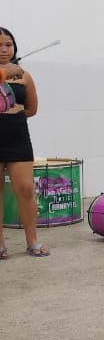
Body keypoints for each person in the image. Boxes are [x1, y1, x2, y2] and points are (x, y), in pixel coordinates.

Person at [0, 27, 48, 258]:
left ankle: (33, 241)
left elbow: (31, 109)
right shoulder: (10, 72)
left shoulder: (24, 75)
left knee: (26, 189)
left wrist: (12, 115)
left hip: (17, 136)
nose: (4, 49)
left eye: (8, 45)